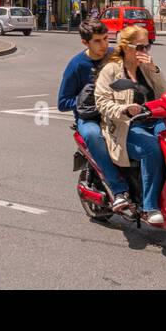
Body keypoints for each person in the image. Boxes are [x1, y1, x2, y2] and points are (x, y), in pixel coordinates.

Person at [95, 25, 166, 224]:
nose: (145, 51)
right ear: (127, 47)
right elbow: (102, 102)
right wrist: (124, 109)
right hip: (126, 127)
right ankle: (149, 207)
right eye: (140, 47)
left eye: (148, 46)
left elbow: (165, 93)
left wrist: (154, 69)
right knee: (151, 148)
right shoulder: (111, 70)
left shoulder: (146, 67)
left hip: (154, 121)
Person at [57, 20, 131, 211]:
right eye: (97, 41)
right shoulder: (76, 65)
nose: (104, 45)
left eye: (106, 39)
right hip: (90, 118)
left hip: (118, 113)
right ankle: (119, 190)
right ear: (85, 43)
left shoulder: (115, 56)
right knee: (93, 136)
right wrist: (86, 101)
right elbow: (63, 102)